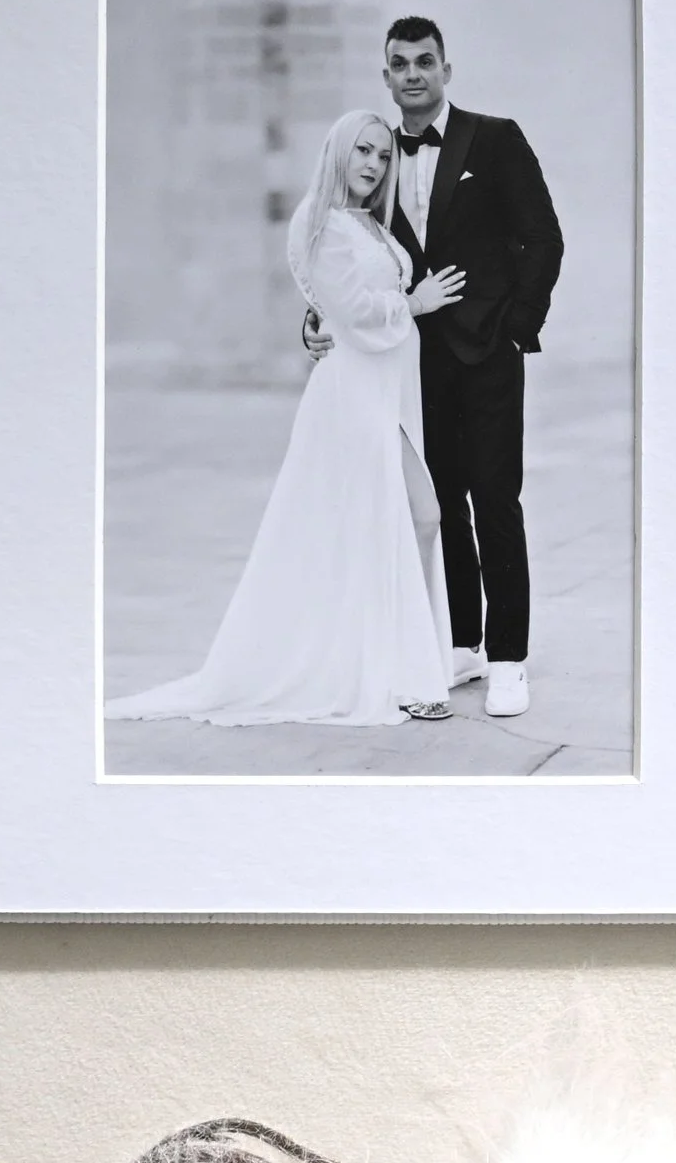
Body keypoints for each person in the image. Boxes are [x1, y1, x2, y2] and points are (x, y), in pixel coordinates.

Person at [108, 111, 466, 727]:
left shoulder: (367, 226)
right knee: (412, 514)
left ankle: (402, 662)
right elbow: (352, 312)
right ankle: (398, 670)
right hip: (353, 395)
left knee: (406, 518)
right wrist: (415, 302)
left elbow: (330, 305)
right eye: (363, 151)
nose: (374, 164)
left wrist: (322, 317)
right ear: (337, 152)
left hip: (387, 392)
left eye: (383, 156)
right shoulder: (319, 220)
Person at [308, 16, 563, 719]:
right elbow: (346, 249)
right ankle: (464, 642)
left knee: (495, 501)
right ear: (385, 76)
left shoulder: (496, 137)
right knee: (440, 503)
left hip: (488, 356)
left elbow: (543, 237)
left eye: (426, 60)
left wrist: (517, 327)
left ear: (446, 69)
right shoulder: (378, 155)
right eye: (400, 63)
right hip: (414, 363)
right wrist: (321, 320)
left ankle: (510, 657)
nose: (413, 73)